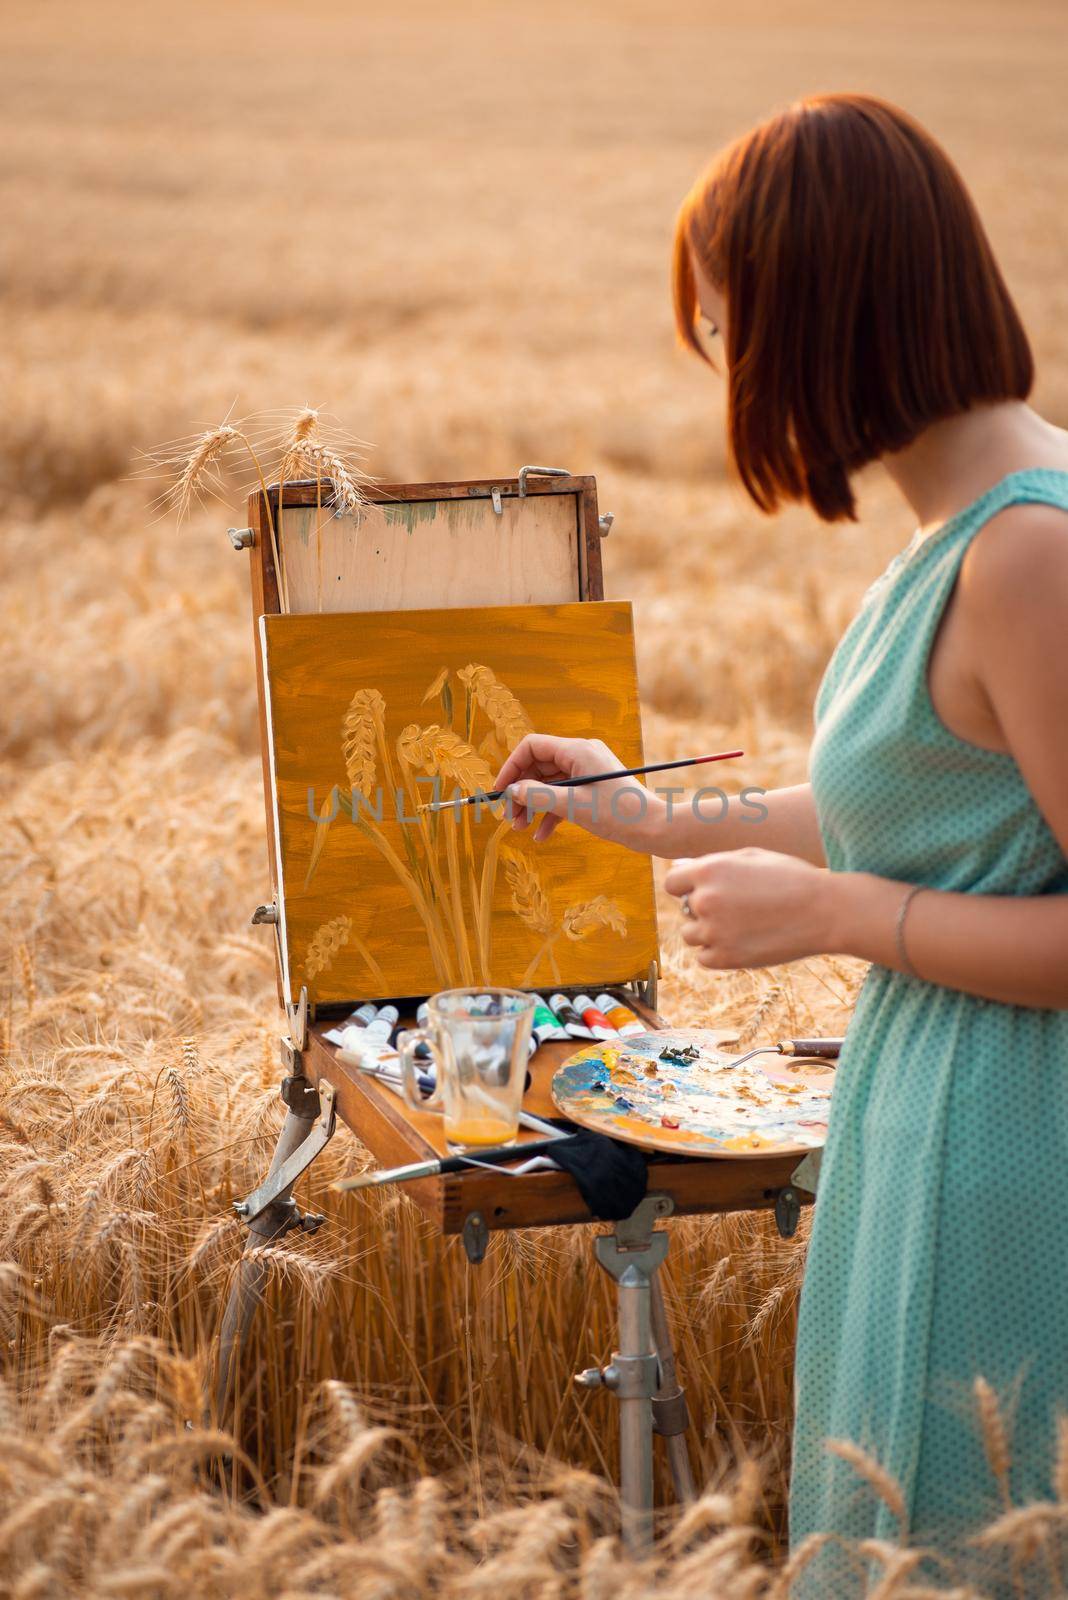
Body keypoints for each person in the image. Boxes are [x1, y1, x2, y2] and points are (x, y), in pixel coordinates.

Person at [494, 94, 1068, 1597]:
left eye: (734, 334)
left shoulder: (1031, 554)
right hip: (936, 1125)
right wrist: (653, 817)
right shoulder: (962, 539)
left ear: (830, 313)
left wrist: (836, 919)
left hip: (1019, 1154)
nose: (730, 376)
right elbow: (950, 815)